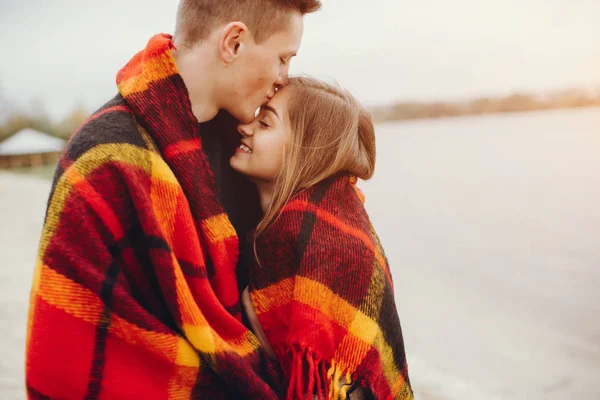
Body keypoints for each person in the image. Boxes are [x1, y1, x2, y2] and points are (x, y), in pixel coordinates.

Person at [25, 1, 321, 398]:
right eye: (283, 59)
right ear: (233, 43)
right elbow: (68, 347)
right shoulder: (106, 157)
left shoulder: (248, 148)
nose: (284, 78)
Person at [231, 76, 414, 399]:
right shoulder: (317, 221)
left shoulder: (317, 241)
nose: (246, 127)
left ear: (305, 150)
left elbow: (329, 385)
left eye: (265, 123)